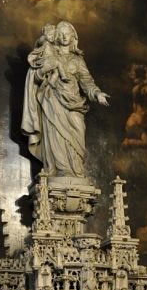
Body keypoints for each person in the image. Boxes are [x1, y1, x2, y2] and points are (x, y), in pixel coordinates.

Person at [22, 21, 109, 179]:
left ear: (73, 37)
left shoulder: (78, 61)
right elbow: (35, 76)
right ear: (55, 36)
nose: (63, 36)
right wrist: (44, 70)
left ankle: (76, 171)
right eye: (60, 32)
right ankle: (60, 170)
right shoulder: (48, 53)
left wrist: (97, 94)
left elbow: (87, 82)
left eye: (67, 33)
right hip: (52, 101)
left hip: (75, 104)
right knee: (56, 135)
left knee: (78, 135)